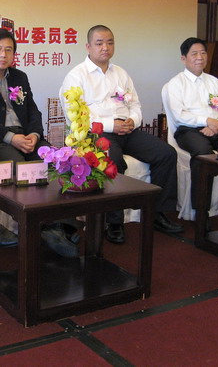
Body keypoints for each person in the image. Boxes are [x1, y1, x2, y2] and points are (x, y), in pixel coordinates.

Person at [0, 28, 79, 257]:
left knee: (56, 162)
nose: (3, 54)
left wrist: (34, 134)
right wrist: (11, 138)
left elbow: (33, 110)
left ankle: (59, 225)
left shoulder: (19, 77)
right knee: (23, 170)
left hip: (26, 136)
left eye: (8, 50)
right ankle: (43, 227)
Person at [60, 25, 182, 244]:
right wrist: (111, 125)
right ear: (88, 46)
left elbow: (135, 104)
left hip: (127, 130)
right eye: (99, 43)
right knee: (113, 160)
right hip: (97, 134)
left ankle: (157, 213)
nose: (105, 48)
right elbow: (76, 117)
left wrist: (132, 120)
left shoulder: (121, 73)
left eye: (110, 42)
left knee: (166, 153)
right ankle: (113, 222)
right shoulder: (76, 76)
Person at [165, 37, 218, 220]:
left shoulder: (214, 82)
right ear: (183, 58)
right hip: (188, 131)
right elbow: (179, 115)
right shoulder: (175, 84)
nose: (200, 57)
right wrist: (207, 120)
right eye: (194, 54)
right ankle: (201, 210)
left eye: (203, 53)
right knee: (203, 154)